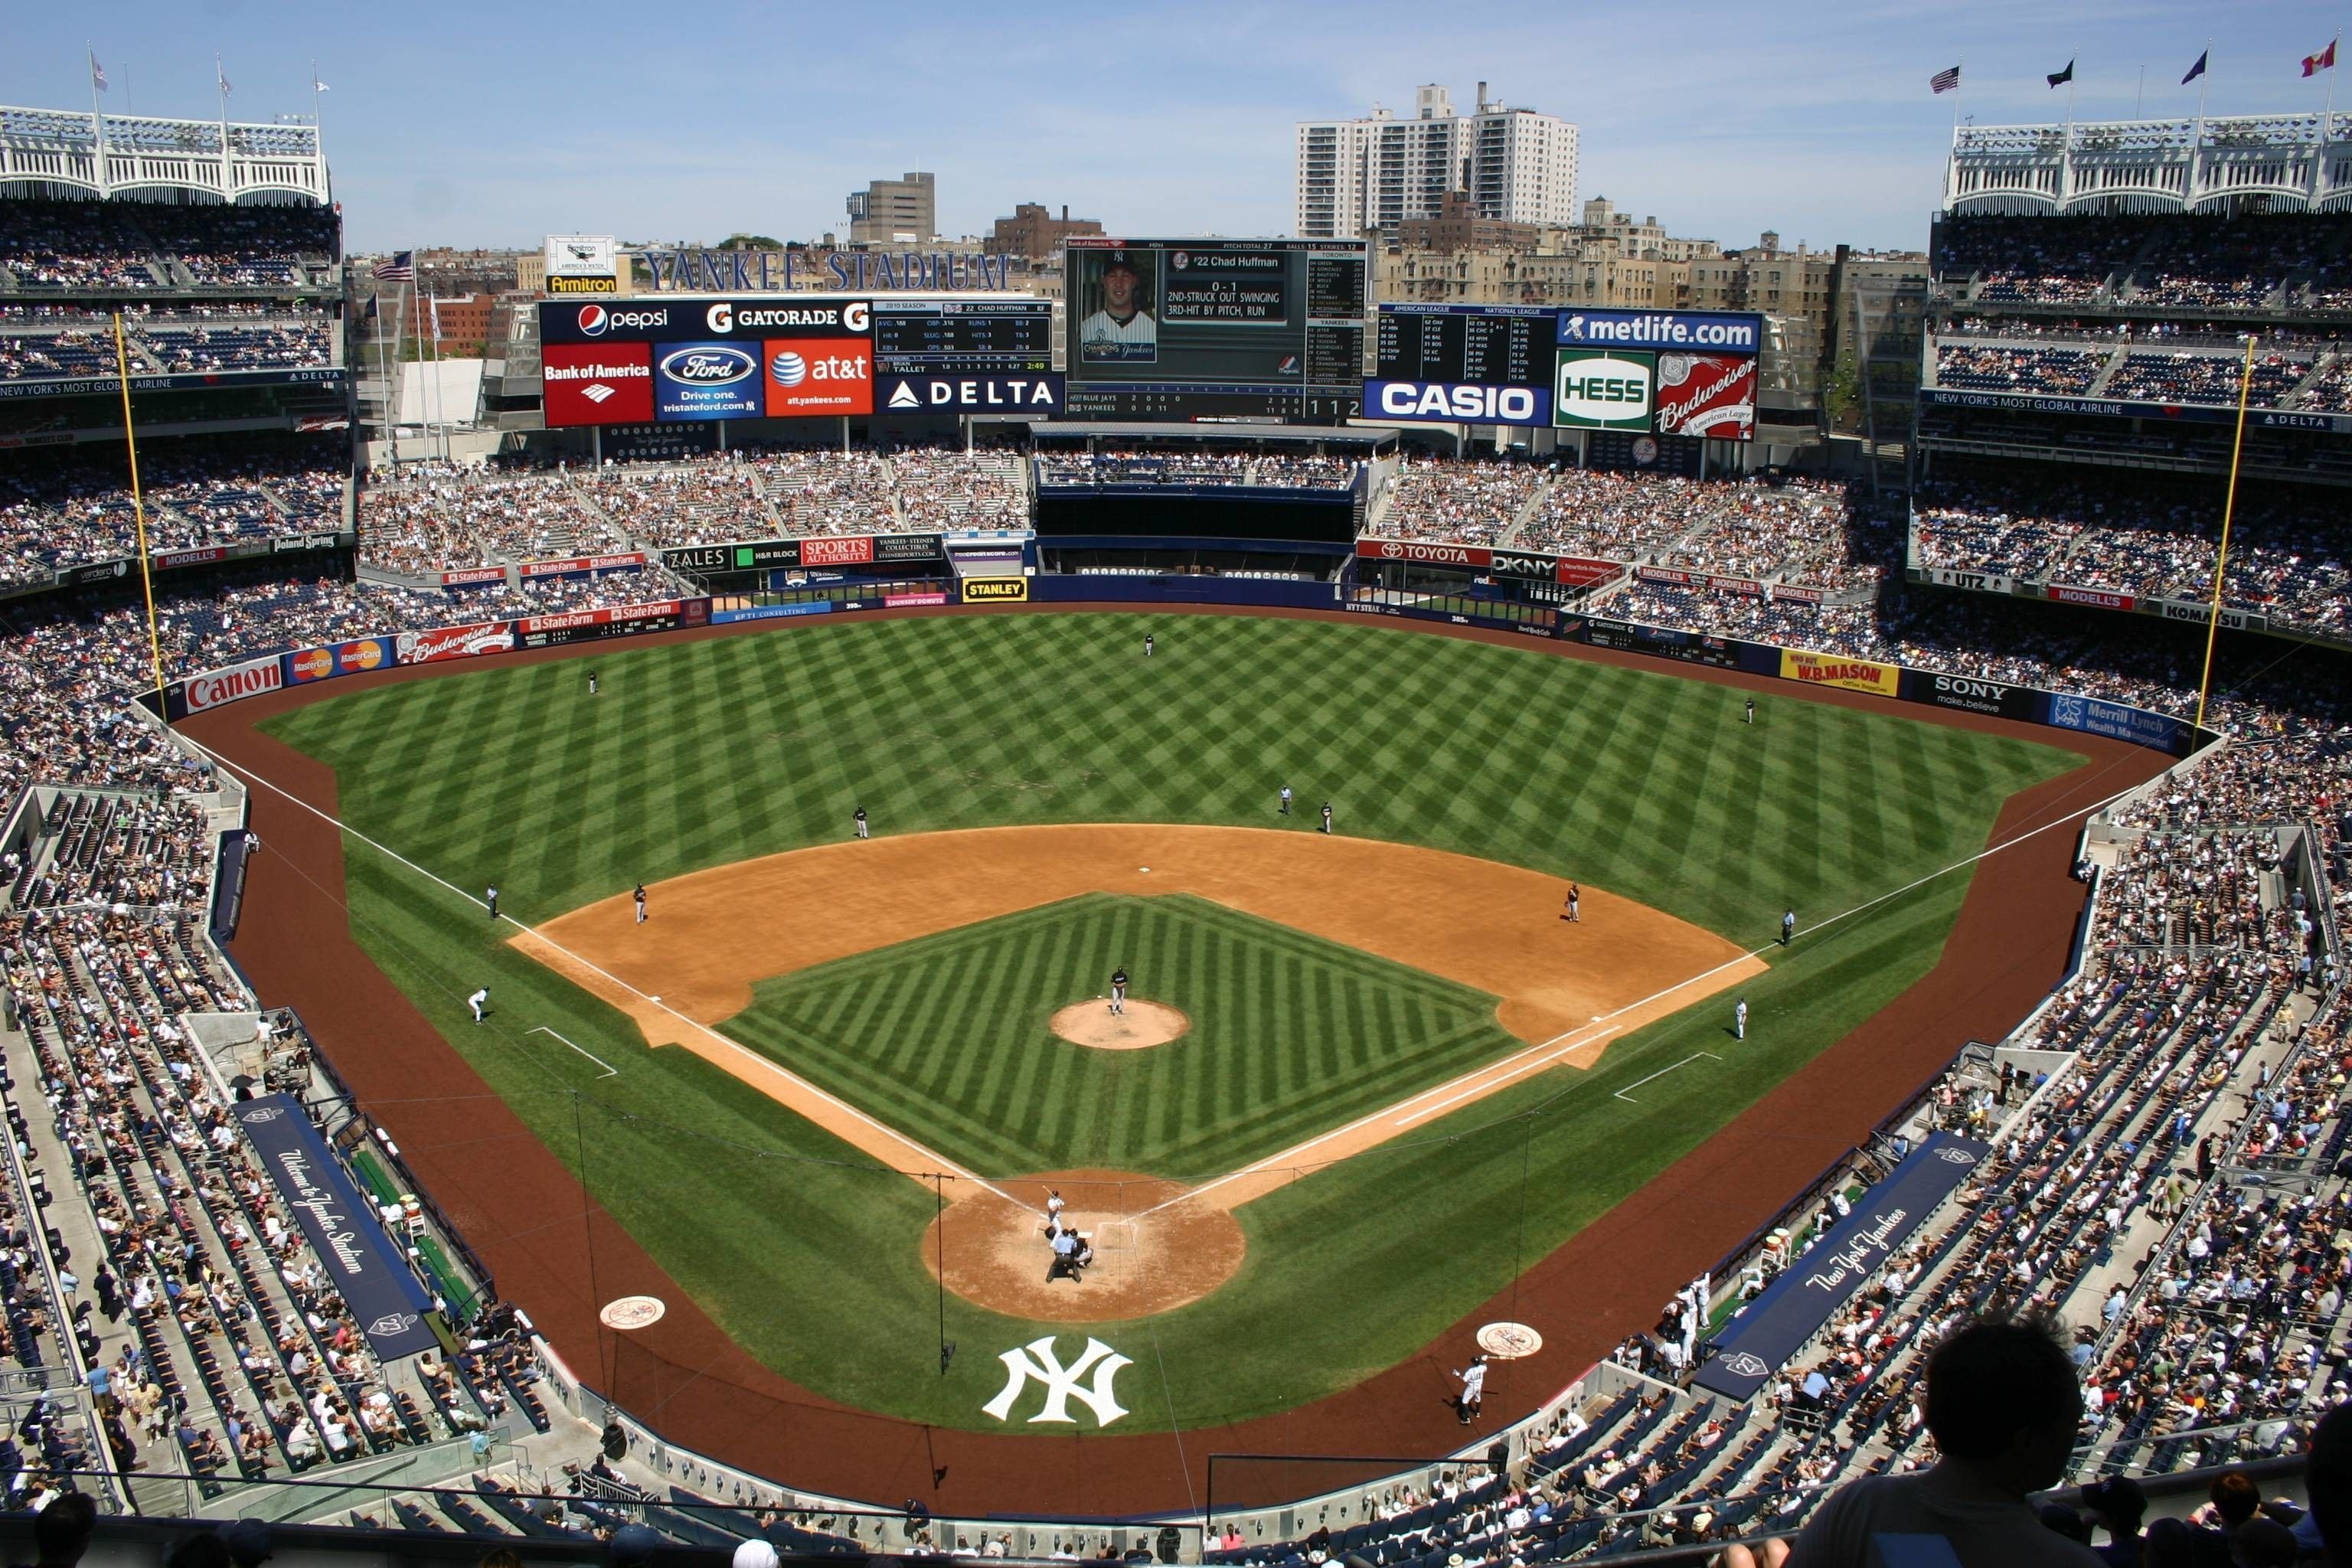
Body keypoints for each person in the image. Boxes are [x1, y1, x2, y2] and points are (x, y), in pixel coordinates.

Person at [1787, 1312, 2105, 1568]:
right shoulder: (2070, 1561)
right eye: (2068, 1424)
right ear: (2027, 1441)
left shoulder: (1858, 1507)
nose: (2072, 1438)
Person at [1078, 250, 1156, 358]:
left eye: (1125, 276)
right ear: (1104, 282)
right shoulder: (1086, 329)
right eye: (1112, 276)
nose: (1119, 283)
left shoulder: (1152, 329)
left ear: (1134, 282)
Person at [1454, 1355, 1488, 1426]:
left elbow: (1464, 1380)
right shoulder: (1482, 1368)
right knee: (1478, 1398)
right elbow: (1485, 1366)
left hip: (1471, 1387)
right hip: (1479, 1387)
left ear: (1473, 1363)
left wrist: (1458, 1375)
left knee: (1464, 1401)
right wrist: (1483, 1360)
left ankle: (1466, 1419)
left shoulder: (1470, 1371)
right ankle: (1477, 1412)